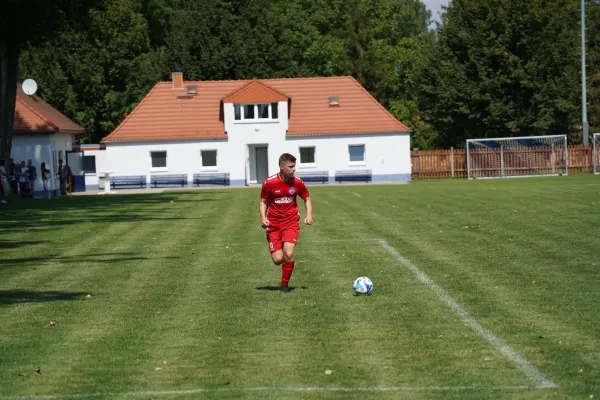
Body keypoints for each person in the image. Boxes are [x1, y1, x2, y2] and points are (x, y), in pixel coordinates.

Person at [259, 153, 313, 293]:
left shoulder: (297, 183)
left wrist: (309, 215)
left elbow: (306, 198)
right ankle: (279, 252)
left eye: (294, 166)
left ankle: (284, 285)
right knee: (278, 259)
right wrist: (263, 218)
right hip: (274, 225)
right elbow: (263, 201)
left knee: (288, 253)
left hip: (291, 222)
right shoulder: (269, 182)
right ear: (282, 167)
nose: (294, 169)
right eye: (291, 166)